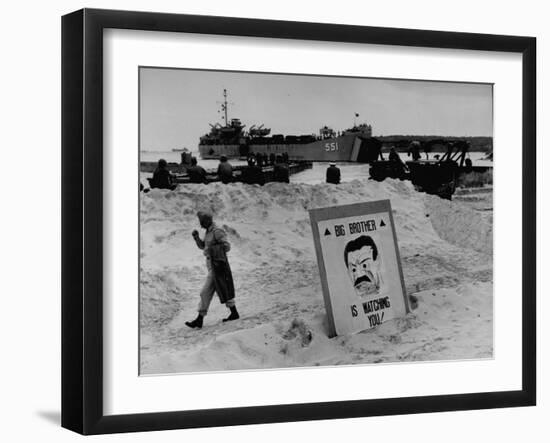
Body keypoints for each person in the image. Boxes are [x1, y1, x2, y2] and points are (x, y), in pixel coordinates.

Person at [185, 211, 239, 329]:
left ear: (207, 220)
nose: (200, 225)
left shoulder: (217, 231)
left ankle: (199, 319)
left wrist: (212, 250)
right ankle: (234, 313)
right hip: (212, 266)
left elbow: (227, 246)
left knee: (205, 292)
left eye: (202, 222)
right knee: (223, 288)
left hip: (218, 266)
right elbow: (203, 246)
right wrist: (196, 238)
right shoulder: (208, 232)